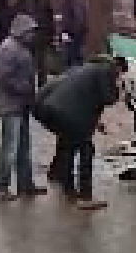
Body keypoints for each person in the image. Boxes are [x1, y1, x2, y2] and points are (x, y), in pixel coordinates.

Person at [36, 55, 122, 211]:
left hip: (48, 108)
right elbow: (107, 98)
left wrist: (96, 124)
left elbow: (86, 101)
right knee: (86, 150)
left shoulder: (84, 69)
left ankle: (65, 185)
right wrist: (119, 89)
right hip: (68, 113)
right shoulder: (105, 70)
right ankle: (85, 196)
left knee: (67, 145)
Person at [0, 15, 44, 201]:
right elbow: (4, 78)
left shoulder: (20, 48)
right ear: (22, 30)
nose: (32, 36)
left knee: (23, 147)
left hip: (21, 105)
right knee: (10, 148)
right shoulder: (8, 48)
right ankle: (0, 186)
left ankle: (25, 184)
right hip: (11, 106)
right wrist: (25, 89)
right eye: (30, 31)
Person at [15, 0, 56, 85]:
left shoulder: (44, 1)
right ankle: (30, 89)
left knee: (41, 67)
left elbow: (50, 20)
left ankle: (42, 90)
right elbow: (16, 21)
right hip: (27, 40)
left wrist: (51, 37)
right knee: (28, 67)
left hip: (41, 38)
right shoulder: (21, 2)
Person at [56, 0, 89, 69]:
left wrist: (70, 33)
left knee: (72, 61)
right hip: (71, 35)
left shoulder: (73, 0)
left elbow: (79, 19)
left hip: (73, 37)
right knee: (71, 60)